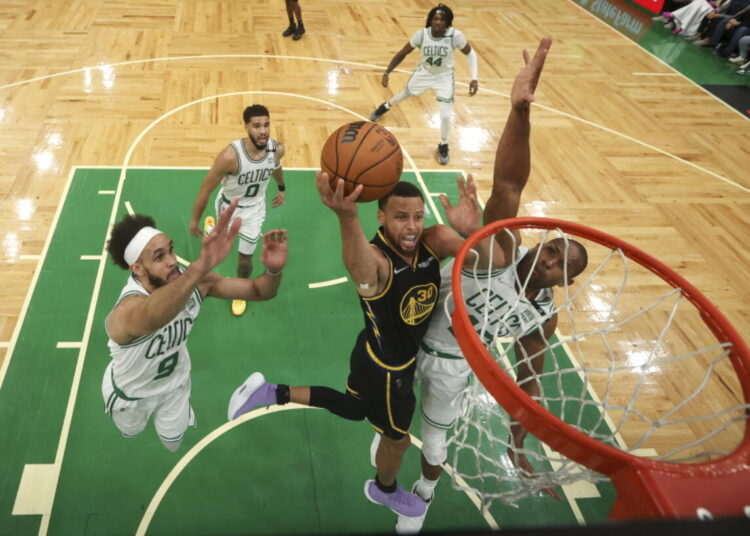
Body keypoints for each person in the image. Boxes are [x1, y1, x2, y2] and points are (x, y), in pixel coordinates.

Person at [390, 37, 589, 534]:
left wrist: (518, 442)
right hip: (412, 333)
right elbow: (509, 185)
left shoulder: (542, 317)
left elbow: (528, 381)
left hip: (457, 362)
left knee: (435, 446)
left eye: (559, 264)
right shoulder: (501, 251)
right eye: (550, 249)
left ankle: (424, 494)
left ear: (563, 282)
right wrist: (519, 111)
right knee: (386, 420)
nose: (547, 260)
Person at [227, 174, 490, 520]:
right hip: (390, 371)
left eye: (417, 216)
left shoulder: (435, 240)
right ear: (380, 217)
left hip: (368, 349)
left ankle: (270, 392)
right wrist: (347, 217)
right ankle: (384, 490)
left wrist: (475, 232)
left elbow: (489, 263)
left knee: (353, 407)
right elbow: (360, 269)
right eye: (400, 217)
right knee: (396, 440)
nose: (411, 226)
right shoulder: (377, 258)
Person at [103, 201, 287, 451]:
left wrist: (273, 270)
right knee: (130, 433)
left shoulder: (194, 282)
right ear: (137, 269)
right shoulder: (124, 313)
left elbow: (258, 291)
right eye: (159, 257)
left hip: (175, 386)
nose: (172, 261)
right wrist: (201, 265)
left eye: (170, 251)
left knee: (173, 444)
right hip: (131, 396)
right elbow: (154, 316)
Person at [189, 104, 287, 317]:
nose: (263, 131)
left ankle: (241, 291)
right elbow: (206, 188)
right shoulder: (229, 156)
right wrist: (194, 220)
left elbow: (276, 166)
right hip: (228, 207)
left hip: (254, 211)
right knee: (218, 242)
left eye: (266, 125)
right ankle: (211, 228)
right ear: (246, 127)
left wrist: (281, 187)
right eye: (256, 126)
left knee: (245, 259)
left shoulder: (276, 149)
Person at [369, 4, 479, 166]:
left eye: (442, 19)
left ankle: (443, 144)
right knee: (405, 94)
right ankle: (385, 106)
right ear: (430, 20)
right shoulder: (421, 35)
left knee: (445, 115)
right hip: (424, 73)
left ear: (447, 22)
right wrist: (387, 72)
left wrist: (474, 77)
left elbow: (470, 53)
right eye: (435, 18)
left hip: (444, 77)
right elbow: (402, 53)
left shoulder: (455, 36)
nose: (438, 22)